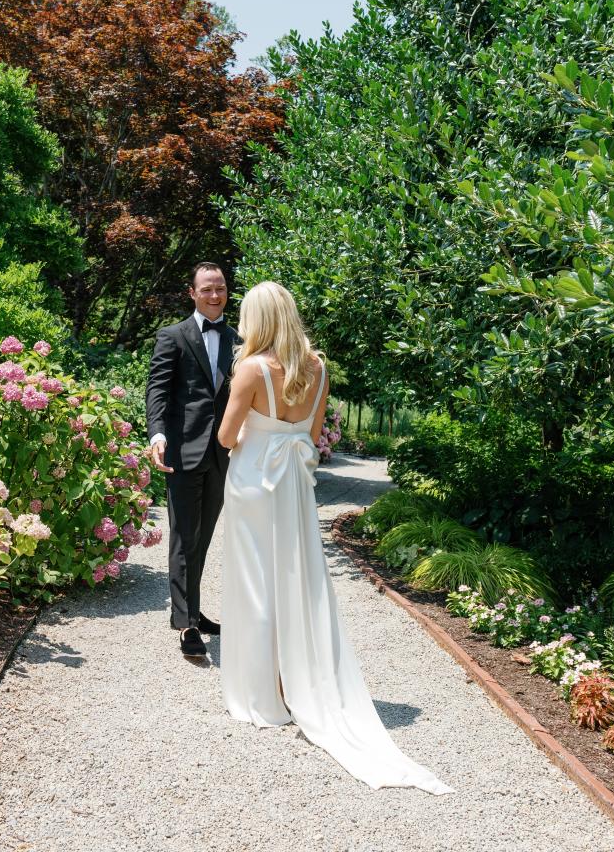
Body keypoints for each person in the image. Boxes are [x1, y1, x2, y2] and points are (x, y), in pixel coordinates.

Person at [216, 281, 451, 794]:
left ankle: (264, 695)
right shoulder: (317, 368)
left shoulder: (252, 368)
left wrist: (255, 431)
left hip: (255, 480)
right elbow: (312, 435)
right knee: (297, 577)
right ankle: (296, 680)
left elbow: (227, 436)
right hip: (294, 482)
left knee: (257, 583)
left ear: (258, 319)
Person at [146, 262, 239, 658]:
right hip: (183, 451)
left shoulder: (239, 340)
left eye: (220, 288)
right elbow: (158, 390)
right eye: (207, 289)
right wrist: (157, 433)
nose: (215, 295)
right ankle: (186, 626)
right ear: (192, 293)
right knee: (184, 536)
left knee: (201, 538)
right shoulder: (172, 336)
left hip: (223, 453)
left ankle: (191, 610)